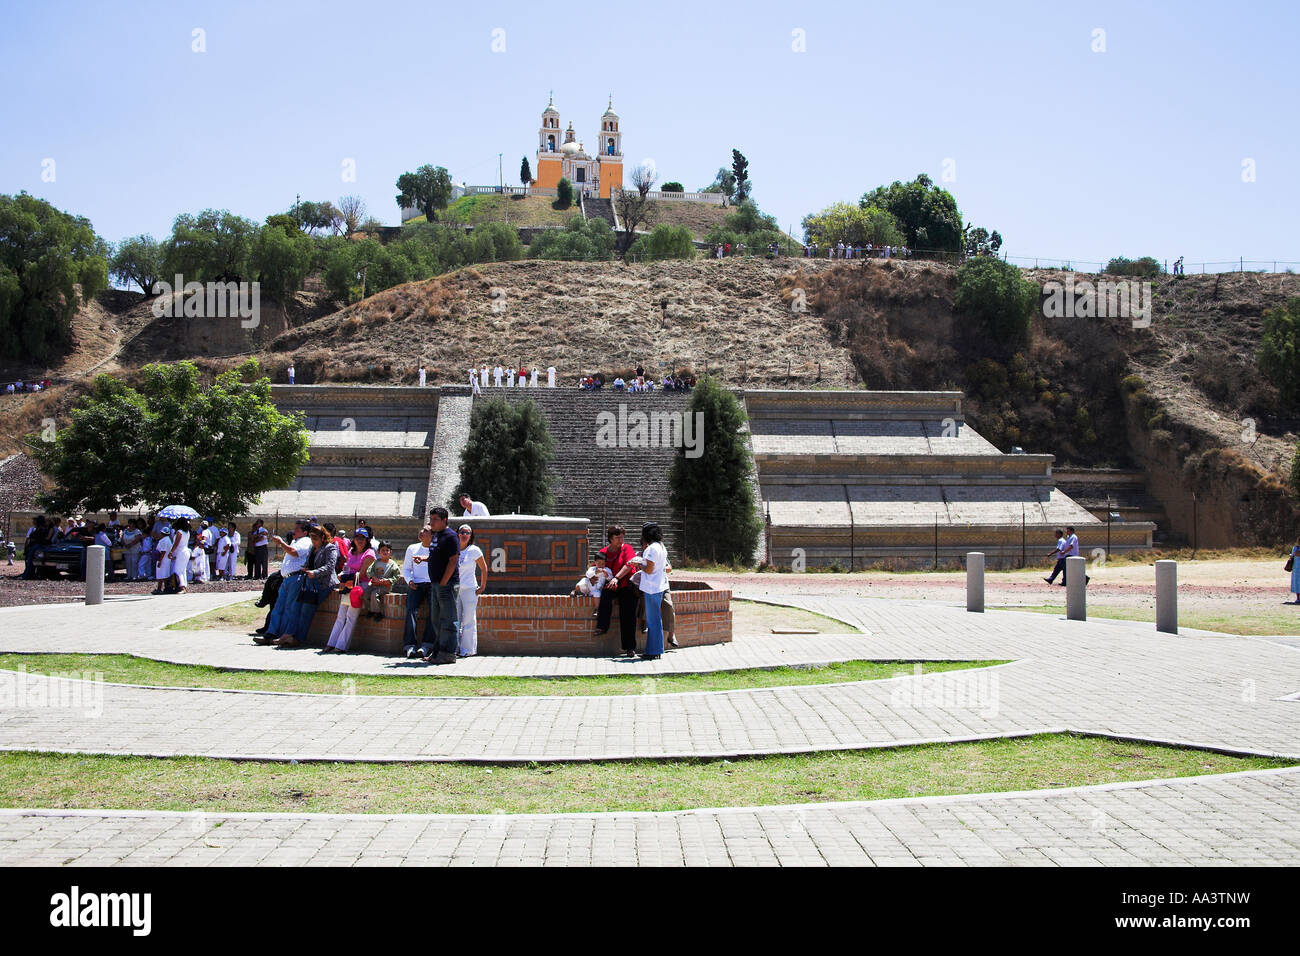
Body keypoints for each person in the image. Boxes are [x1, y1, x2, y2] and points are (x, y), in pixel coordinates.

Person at [277, 524, 338, 647]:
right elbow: (308, 562)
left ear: (322, 537)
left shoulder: (330, 548)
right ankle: (288, 634)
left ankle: (299, 638)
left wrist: (314, 573)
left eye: (315, 539)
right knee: (296, 607)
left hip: (323, 583)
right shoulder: (312, 548)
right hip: (309, 581)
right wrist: (305, 569)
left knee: (307, 609)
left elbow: (330, 566)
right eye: (312, 538)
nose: (313, 541)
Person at [255, 521, 313, 642]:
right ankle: (271, 633)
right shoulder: (295, 541)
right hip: (287, 578)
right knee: (278, 607)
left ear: (305, 532)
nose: (294, 531)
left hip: (296, 578)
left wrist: (281, 543)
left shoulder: (305, 542)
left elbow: (294, 552)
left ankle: (283, 634)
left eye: (297, 529)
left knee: (290, 608)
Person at [324, 530, 377, 653]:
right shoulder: (351, 552)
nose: (360, 540)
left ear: (367, 540)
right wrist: (342, 575)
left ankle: (341, 645)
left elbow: (363, 573)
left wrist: (347, 577)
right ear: (353, 539)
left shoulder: (369, 553)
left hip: (359, 587)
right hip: (347, 585)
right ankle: (331, 643)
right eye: (357, 537)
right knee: (341, 615)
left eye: (363, 538)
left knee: (351, 616)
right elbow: (346, 568)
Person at [423, 508, 461, 664]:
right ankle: (438, 651)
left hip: (447, 584)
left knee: (449, 620)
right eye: (430, 519)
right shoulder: (436, 535)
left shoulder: (451, 536)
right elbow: (438, 556)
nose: (431, 522)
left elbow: (453, 561)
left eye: (435, 519)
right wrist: (424, 559)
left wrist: (444, 581)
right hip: (436, 584)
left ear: (444, 520)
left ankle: (449, 653)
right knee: (436, 619)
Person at [595, 525, 639, 657]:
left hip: (626, 585)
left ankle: (629, 647)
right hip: (612, 584)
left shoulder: (627, 548)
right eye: (617, 537)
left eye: (622, 537)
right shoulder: (603, 551)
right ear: (610, 538)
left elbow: (629, 564)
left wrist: (616, 578)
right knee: (605, 596)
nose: (621, 540)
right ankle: (602, 626)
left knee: (628, 614)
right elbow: (595, 567)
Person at [634, 522, 669, 660]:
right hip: (658, 586)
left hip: (651, 587)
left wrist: (637, 564)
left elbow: (648, 568)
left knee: (653, 620)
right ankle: (655, 649)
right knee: (655, 620)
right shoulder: (661, 547)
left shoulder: (651, 549)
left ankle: (654, 651)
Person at [401, 526, 436, 658]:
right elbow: (406, 569)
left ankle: (427, 645)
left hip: (432, 584)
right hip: (416, 584)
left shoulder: (435, 549)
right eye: (421, 530)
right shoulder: (412, 548)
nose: (421, 532)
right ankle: (410, 646)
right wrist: (409, 581)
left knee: (434, 612)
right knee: (411, 610)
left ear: (432, 535)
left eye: (426, 531)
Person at [455, 524, 487, 657]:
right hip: (455, 589)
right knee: (455, 619)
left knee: (468, 620)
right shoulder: (453, 549)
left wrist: (482, 586)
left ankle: (467, 650)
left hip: (469, 589)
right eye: (462, 532)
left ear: (471, 536)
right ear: (457, 534)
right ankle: (454, 648)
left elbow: (484, 568)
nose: (464, 535)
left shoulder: (474, 550)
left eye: (467, 533)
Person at [362, 541, 401, 620]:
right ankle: (370, 610)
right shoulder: (376, 562)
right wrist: (373, 577)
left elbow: (397, 576)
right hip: (375, 584)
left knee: (374, 594)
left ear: (390, 552)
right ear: (379, 551)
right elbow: (369, 571)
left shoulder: (392, 564)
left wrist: (387, 581)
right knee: (365, 594)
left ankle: (378, 612)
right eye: (383, 550)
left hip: (385, 586)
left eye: (387, 550)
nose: (385, 552)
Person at [1288, 536, 1300, 605]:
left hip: (1296, 568)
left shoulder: (1295, 548)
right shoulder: (1295, 548)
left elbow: (1293, 555)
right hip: (1296, 569)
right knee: (1297, 583)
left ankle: (1298, 598)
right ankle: (1298, 598)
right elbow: (1294, 554)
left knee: (1297, 583)